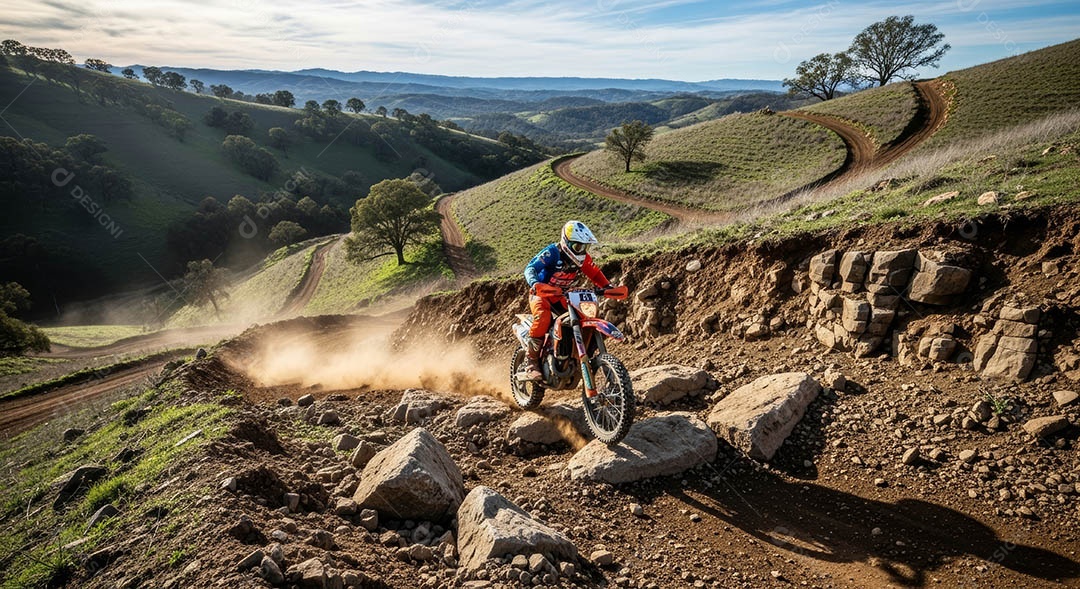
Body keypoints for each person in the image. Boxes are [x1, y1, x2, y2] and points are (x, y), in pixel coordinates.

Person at [522, 220, 611, 381]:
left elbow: (595, 274)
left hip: (562, 296)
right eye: (578, 247)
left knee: (588, 318)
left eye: (585, 247)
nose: (582, 251)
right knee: (543, 317)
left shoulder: (583, 258)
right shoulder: (552, 253)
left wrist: (607, 286)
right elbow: (531, 268)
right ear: (567, 243)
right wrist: (535, 283)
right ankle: (531, 360)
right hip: (541, 294)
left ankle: (579, 357)